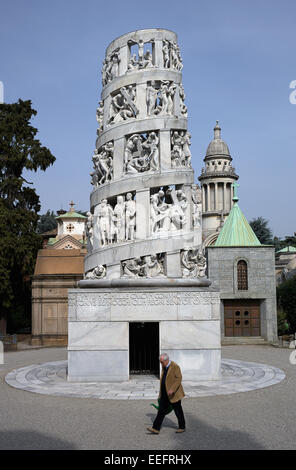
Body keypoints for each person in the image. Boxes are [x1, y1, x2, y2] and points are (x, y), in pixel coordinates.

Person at [147, 353, 186, 434]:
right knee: (161, 411)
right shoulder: (164, 366)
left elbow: (178, 378)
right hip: (165, 393)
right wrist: (160, 395)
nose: (161, 364)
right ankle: (155, 428)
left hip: (174, 394)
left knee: (178, 410)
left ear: (166, 360)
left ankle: (182, 427)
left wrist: (172, 389)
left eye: (162, 362)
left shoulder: (175, 366)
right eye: (160, 362)